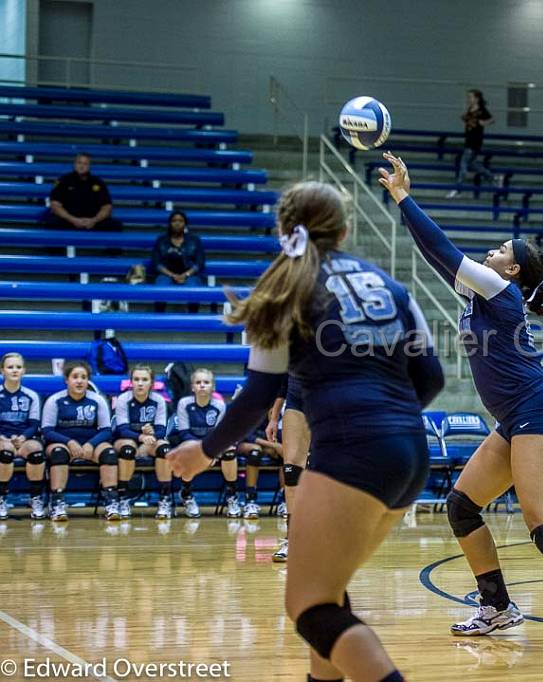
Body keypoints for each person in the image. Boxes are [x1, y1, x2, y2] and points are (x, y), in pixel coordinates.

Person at [168, 180, 444, 682]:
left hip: (353, 454)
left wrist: (204, 452)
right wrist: (385, 425)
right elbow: (432, 377)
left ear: (283, 231)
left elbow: (257, 395)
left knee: (310, 607)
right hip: (411, 454)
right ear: (344, 230)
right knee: (329, 590)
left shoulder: (283, 288)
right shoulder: (389, 283)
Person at [379, 152, 543, 651]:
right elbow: (435, 256)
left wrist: (404, 196)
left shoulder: (500, 290)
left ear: (510, 268)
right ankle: (496, 607)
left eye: (497, 249)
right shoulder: (478, 295)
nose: (489, 252)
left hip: (540, 413)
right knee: (462, 507)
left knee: (542, 523)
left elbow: (444, 249)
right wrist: (402, 205)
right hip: (515, 419)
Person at [41, 361, 116, 521]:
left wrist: (91, 444)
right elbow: (47, 431)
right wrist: (69, 442)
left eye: (84, 377)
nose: (80, 381)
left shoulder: (97, 400)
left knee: (109, 453)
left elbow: (106, 430)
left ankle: (111, 502)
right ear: (66, 380)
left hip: (91, 444)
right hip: (63, 442)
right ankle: (57, 503)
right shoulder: (55, 400)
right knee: (58, 453)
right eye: (75, 377)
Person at [174, 369, 239, 518]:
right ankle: (186, 494)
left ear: (213, 387)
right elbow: (184, 433)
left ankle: (231, 496)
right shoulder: (184, 403)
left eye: (206, 382)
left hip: (211, 444)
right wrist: (203, 450)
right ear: (192, 388)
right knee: (187, 452)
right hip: (191, 443)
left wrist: (213, 449)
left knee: (229, 450)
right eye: (198, 382)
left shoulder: (219, 405)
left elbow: (220, 433)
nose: (202, 385)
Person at [112, 365, 170, 519]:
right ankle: (123, 498)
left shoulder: (158, 400)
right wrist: (141, 437)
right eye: (136, 379)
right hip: (126, 439)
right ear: (131, 382)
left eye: (144, 379)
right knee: (127, 450)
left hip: (149, 442)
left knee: (164, 450)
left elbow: (162, 430)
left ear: (151, 383)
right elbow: (122, 430)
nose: (140, 383)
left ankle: (165, 498)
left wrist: (151, 435)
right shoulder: (123, 399)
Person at [265, 376, 311, 562]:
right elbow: (283, 383)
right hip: (296, 402)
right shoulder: (291, 347)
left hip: (329, 402)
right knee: (291, 472)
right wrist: (274, 418)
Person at [0, 352, 44, 520]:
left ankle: (35, 498)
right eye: (10, 367)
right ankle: (2, 497)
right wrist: (2, 438)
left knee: (36, 451)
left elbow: (34, 424)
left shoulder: (31, 395)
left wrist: (23, 438)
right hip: (2, 439)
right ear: (2, 371)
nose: (14, 370)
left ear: (24, 371)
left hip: (23, 438)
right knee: (5, 450)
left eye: (18, 367)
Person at [445, 89, 501, 198]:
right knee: (472, 164)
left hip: (474, 141)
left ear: (476, 99)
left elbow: (492, 119)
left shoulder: (482, 110)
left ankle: (458, 189)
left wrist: (483, 122)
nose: (468, 99)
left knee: (463, 163)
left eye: (470, 97)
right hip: (469, 140)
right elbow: (468, 119)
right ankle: (494, 178)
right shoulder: (471, 109)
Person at [47, 153, 123, 232]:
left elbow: (107, 207)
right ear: (74, 164)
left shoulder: (98, 182)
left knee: (115, 225)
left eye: (85, 164)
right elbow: (55, 205)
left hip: (93, 221)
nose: (81, 166)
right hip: (69, 220)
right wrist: (73, 220)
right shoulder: (63, 181)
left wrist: (94, 220)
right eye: (79, 163)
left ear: (90, 166)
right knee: (52, 223)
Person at [151, 211, 206, 314]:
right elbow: (156, 263)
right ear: (169, 223)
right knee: (161, 286)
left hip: (189, 274)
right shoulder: (161, 240)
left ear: (185, 223)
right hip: (166, 274)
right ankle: (159, 317)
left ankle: (193, 317)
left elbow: (200, 263)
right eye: (174, 221)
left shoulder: (194, 240)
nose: (177, 223)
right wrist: (172, 275)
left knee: (193, 287)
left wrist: (185, 275)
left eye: (180, 221)